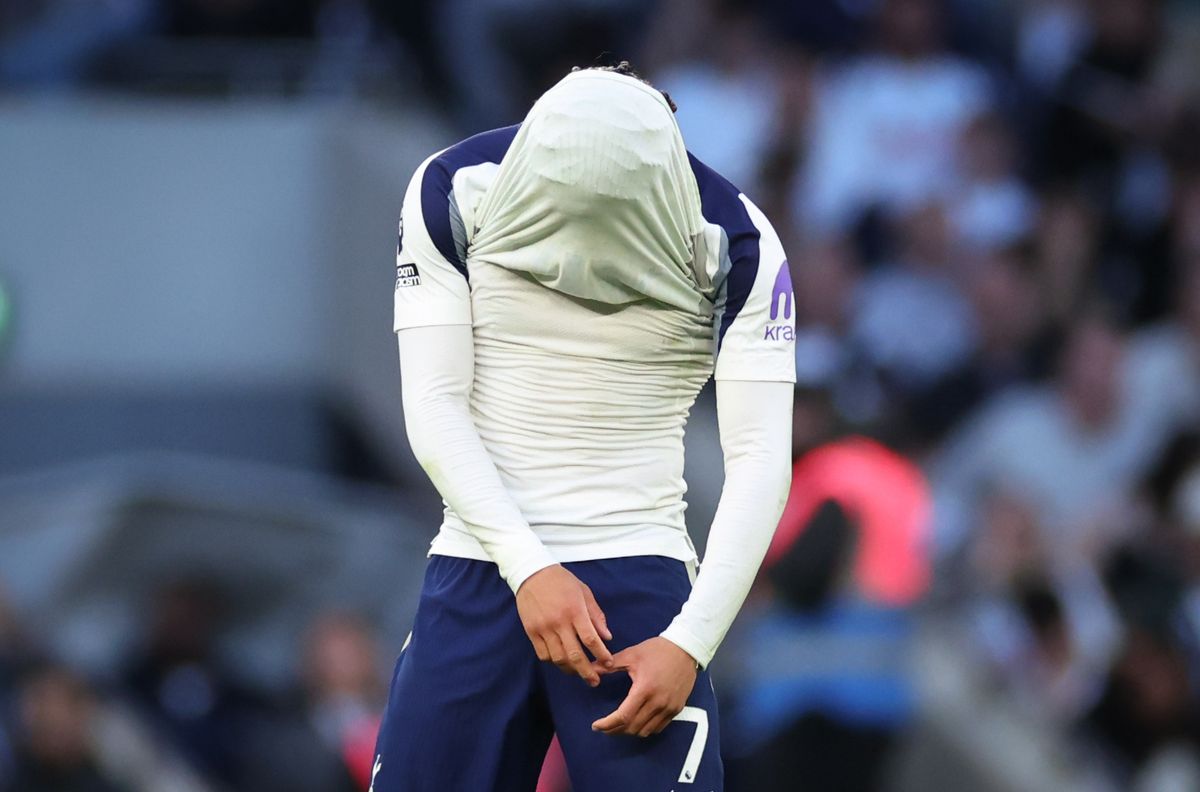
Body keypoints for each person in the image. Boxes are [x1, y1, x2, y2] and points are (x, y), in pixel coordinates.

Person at [373, 62, 795, 791]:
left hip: (634, 582)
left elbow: (762, 459)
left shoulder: (743, 242)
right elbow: (434, 405)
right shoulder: (451, 186)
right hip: (487, 565)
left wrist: (689, 643)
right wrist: (529, 567)